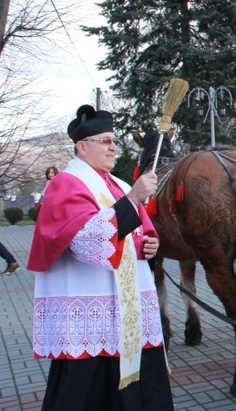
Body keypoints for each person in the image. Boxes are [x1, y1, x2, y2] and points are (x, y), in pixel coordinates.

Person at [27, 104, 173, 410]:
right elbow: (86, 241)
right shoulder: (66, 184)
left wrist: (150, 245)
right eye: (105, 141)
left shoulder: (118, 184)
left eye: (114, 141)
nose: (113, 147)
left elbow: (140, 230)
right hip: (95, 309)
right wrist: (134, 198)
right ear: (82, 147)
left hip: (127, 309)